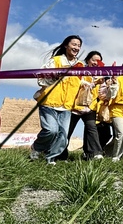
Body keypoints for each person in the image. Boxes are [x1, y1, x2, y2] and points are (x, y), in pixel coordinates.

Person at [30, 35, 83, 165]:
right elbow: (41, 78)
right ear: (66, 45)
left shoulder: (80, 66)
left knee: (63, 135)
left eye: (78, 45)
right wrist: (55, 76)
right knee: (51, 130)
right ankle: (36, 148)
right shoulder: (56, 61)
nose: (76, 47)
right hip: (50, 102)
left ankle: (50, 158)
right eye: (74, 44)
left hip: (66, 106)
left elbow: (82, 83)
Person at [59, 51, 106, 161]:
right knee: (67, 131)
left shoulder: (100, 75)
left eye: (99, 61)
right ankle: (60, 155)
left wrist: (110, 86)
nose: (96, 63)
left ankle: (94, 153)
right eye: (94, 60)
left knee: (92, 128)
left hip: (89, 108)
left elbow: (102, 94)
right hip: (74, 107)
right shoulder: (80, 70)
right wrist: (93, 83)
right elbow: (77, 84)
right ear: (88, 60)